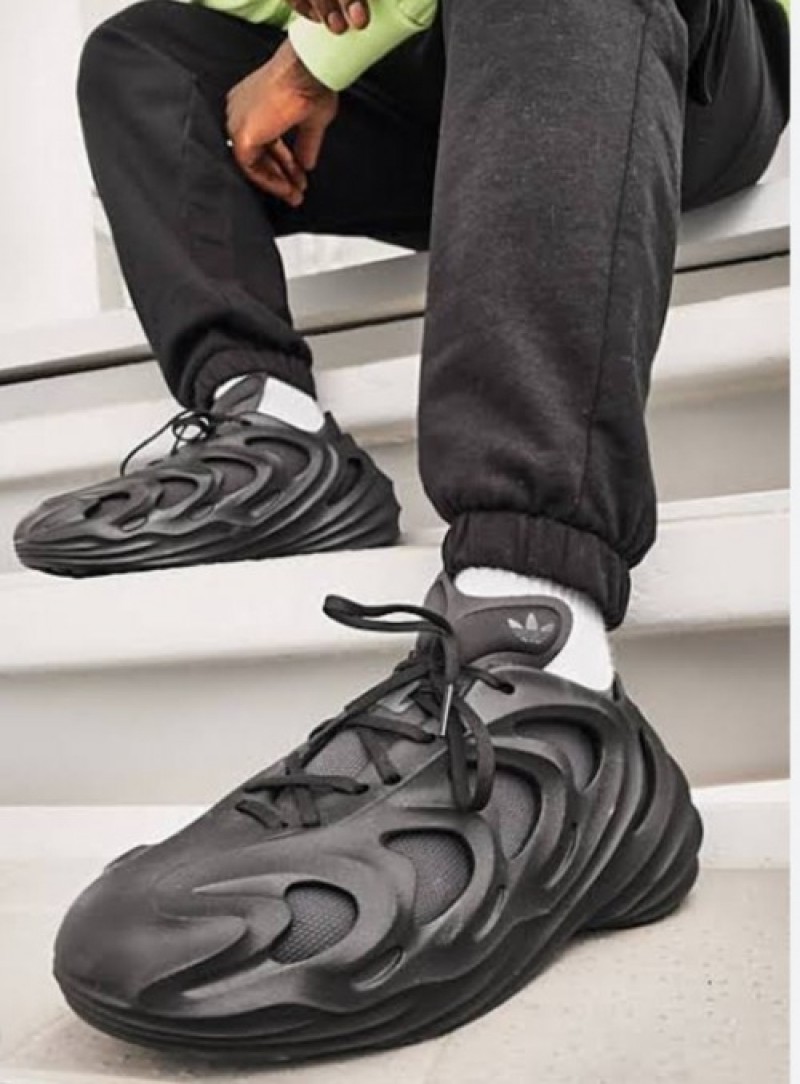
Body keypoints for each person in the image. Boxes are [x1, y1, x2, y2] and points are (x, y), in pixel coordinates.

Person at [31, 0, 788, 1061]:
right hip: (446, 86)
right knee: (140, 55)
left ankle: (544, 669)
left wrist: (316, 57)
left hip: (661, 57)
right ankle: (269, 426)